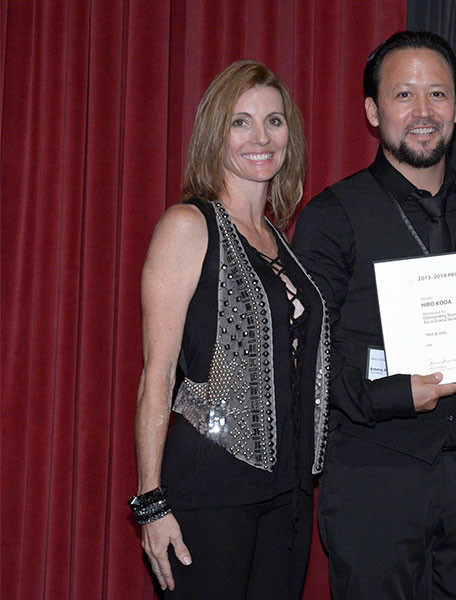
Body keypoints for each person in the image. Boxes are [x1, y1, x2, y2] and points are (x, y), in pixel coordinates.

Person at [292, 31, 456, 600]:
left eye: (438, 95)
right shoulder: (332, 215)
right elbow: (309, 355)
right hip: (377, 475)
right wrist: (396, 395)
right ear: (373, 112)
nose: (423, 113)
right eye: (404, 95)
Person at [131, 59, 330, 599]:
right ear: (214, 134)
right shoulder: (187, 226)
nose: (260, 137)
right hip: (208, 493)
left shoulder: (277, 238)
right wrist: (151, 503)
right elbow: (158, 375)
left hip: (289, 495)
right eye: (241, 122)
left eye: (274, 120)